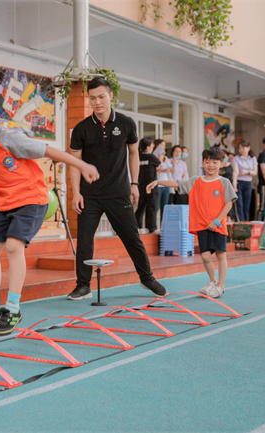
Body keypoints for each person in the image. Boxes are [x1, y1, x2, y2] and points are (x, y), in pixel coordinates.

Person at [0, 90, 99, 336]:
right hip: (3, 203)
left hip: (31, 199)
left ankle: (12, 307)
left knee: (13, 246)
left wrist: (82, 164)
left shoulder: (12, 140)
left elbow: (49, 152)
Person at [67, 77, 167, 301]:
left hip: (119, 191)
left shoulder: (126, 123)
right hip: (90, 195)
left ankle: (146, 277)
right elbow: (74, 162)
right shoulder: (81, 129)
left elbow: (133, 153)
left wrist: (134, 184)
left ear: (111, 96)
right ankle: (83, 285)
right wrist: (76, 193)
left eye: (101, 96)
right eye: (92, 98)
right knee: (84, 241)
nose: (97, 102)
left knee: (131, 238)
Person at [146, 147, 237, 298]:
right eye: (207, 162)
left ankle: (221, 286)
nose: (211, 165)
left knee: (221, 255)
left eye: (215, 162)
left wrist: (216, 220)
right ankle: (213, 281)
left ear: (221, 164)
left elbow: (229, 204)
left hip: (217, 225)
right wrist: (157, 181)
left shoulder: (224, 182)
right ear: (203, 162)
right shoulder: (196, 180)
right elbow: (177, 184)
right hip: (202, 225)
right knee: (206, 256)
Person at [134, 138, 160, 233]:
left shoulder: (138, 157)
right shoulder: (151, 157)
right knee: (152, 207)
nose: (153, 147)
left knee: (141, 206)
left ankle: (137, 226)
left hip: (141, 186)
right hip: (152, 185)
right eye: (152, 146)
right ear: (148, 147)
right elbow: (159, 164)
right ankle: (151, 227)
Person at [231, 140, 257, 221]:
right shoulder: (236, 158)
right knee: (239, 205)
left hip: (248, 184)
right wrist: (234, 185)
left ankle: (246, 223)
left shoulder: (253, 158)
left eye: (243, 148)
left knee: (246, 206)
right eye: (239, 148)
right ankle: (240, 223)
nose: (241, 150)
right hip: (239, 183)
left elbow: (255, 172)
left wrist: (247, 172)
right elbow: (235, 172)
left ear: (249, 148)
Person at [154, 139, 173, 226]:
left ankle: (164, 226)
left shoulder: (166, 158)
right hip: (158, 184)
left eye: (164, 145)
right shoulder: (154, 156)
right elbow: (157, 170)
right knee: (156, 206)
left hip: (166, 184)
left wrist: (164, 169)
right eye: (162, 145)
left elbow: (171, 169)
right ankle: (153, 226)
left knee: (165, 207)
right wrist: (160, 160)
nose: (163, 147)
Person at [219, 150, 238, 221]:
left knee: (230, 202)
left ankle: (230, 218)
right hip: (220, 186)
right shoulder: (220, 165)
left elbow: (234, 175)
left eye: (225, 155)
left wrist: (234, 186)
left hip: (229, 186)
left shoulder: (231, 165)